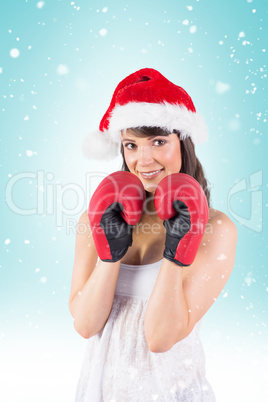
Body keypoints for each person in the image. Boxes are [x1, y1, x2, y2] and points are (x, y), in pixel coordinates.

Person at [69, 68, 238, 401]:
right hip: (98, 392)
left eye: (158, 142)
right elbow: (86, 325)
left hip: (171, 392)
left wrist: (179, 247)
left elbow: (160, 338)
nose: (143, 160)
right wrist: (110, 252)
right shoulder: (96, 217)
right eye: (131, 145)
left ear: (183, 142)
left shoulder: (217, 229)